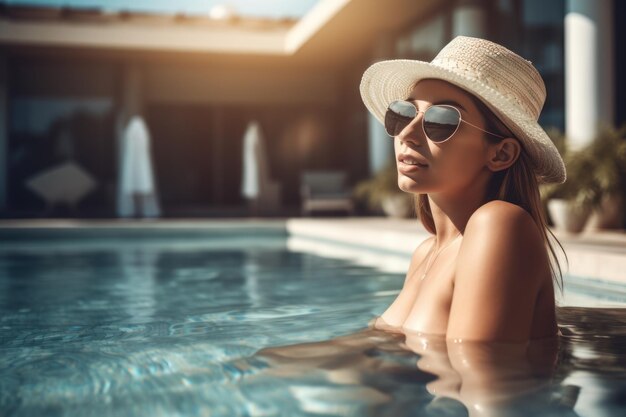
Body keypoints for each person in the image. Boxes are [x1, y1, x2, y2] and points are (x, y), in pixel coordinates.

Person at [359, 36, 568, 342]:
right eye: (404, 113)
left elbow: (484, 383)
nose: (407, 133)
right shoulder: (426, 253)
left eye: (441, 120)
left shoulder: (500, 225)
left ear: (500, 154)